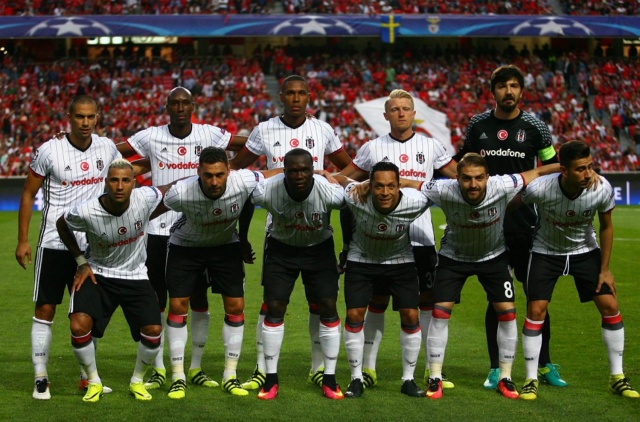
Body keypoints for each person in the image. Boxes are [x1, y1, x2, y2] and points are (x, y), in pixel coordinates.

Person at [115, 87, 245, 391]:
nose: (180, 107)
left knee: (198, 300)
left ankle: (195, 367)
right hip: (159, 230)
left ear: (193, 105)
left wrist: (235, 169)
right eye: (174, 102)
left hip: (201, 232)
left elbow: (248, 145)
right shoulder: (151, 136)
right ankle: (160, 367)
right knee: (160, 301)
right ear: (167, 106)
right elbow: (112, 151)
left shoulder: (208, 134)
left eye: (185, 102)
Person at [230, 75, 352, 391]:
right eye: (290, 94)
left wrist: (329, 177)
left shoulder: (323, 130)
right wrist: (274, 175)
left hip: (317, 226)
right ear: (281, 96)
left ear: (308, 97)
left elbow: (349, 169)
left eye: (301, 94)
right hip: (279, 228)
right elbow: (237, 171)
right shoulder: (264, 129)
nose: (296, 99)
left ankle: (319, 368)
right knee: (272, 305)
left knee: (321, 303)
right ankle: (263, 370)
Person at [403, 153, 559, 400]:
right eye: (466, 178)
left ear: (487, 177)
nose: (473, 184)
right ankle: (435, 376)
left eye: (478, 178)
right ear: (457, 178)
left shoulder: (502, 184)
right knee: (440, 313)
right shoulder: (443, 189)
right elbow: (411, 182)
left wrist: (566, 167)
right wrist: (370, 183)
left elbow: (537, 171)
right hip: (454, 258)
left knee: (507, 314)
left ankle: (505, 377)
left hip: (493, 257)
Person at [338, 89, 457, 389]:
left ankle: (431, 370)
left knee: (424, 304)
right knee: (376, 302)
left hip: (421, 238)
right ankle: (368, 368)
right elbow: (345, 177)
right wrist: (360, 184)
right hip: (380, 241)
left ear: (414, 113)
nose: (401, 113)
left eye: (406, 108)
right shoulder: (372, 147)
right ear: (386, 115)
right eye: (395, 109)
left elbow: (459, 178)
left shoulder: (431, 146)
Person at [453, 64, 563, 390]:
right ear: (493, 91)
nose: (509, 91)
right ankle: (494, 367)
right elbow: (463, 164)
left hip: (527, 224)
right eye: (502, 86)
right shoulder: (478, 125)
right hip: (489, 225)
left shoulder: (536, 127)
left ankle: (544, 363)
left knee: (536, 297)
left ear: (521, 90)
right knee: (497, 298)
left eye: (514, 85)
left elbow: (552, 166)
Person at [15, 95, 120, 400]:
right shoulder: (49, 150)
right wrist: (23, 240)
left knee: (88, 314)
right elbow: (28, 193)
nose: (85, 122)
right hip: (53, 242)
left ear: (97, 117)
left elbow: (121, 176)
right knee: (45, 309)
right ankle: (40, 377)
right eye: (79, 117)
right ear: (69, 117)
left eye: (90, 117)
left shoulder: (107, 147)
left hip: (91, 247)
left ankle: (87, 379)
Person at [515, 141, 638, 400]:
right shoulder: (540, 188)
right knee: (536, 310)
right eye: (580, 169)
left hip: (585, 251)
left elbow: (606, 226)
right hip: (545, 252)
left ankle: (617, 377)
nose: (588, 174)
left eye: (590, 166)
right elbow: (511, 205)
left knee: (610, 306)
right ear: (564, 171)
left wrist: (605, 269)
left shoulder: (601, 188)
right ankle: (530, 379)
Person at [160, 147, 280, 399]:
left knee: (236, 306)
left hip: (225, 245)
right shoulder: (180, 192)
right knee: (179, 306)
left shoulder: (243, 180)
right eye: (208, 175)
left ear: (229, 171)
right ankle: (178, 376)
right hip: (186, 247)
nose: (214, 182)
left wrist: (322, 172)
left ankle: (230, 375)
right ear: (198, 172)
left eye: (219, 175)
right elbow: (154, 204)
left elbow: (278, 172)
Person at [55, 159, 173, 402]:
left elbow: (173, 188)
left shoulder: (146, 198)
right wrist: (80, 261)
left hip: (135, 274)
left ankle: (137, 381)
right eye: (114, 180)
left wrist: (201, 178)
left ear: (134, 183)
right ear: (106, 182)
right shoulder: (87, 210)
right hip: (98, 273)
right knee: (78, 326)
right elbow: (62, 224)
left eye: (125, 180)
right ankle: (93, 381)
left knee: (153, 331)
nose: (120, 186)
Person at [250, 149, 345, 400]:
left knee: (328, 306)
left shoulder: (330, 192)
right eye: (293, 171)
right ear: (284, 171)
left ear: (313, 170)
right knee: (274, 307)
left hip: (319, 249)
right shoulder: (266, 191)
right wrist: (242, 239)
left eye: (304, 170)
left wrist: (347, 247)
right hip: (281, 250)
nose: (299, 175)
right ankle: (270, 378)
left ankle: (329, 377)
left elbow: (349, 208)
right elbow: (246, 201)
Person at [338, 161, 431, 399]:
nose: (385, 192)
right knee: (354, 315)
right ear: (370, 186)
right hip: (362, 260)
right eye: (378, 186)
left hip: (401, 261)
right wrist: (358, 183)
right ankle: (356, 378)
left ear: (399, 186)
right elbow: (339, 179)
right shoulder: (356, 197)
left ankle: (408, 379)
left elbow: (439, 189)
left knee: (410, 315)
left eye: (391, 186)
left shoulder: (416, 201)